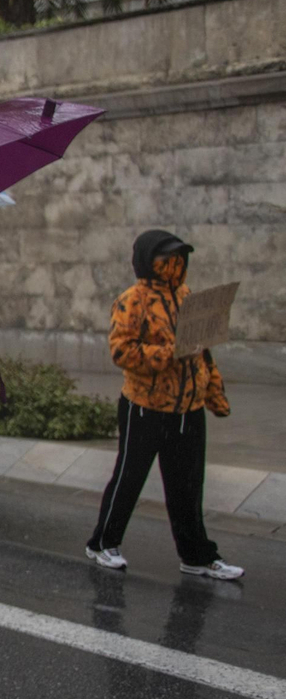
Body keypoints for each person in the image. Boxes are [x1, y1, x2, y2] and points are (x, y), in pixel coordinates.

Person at [86, 230, 244, 581]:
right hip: (144, 407)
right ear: (147, 261)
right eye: (165, 259)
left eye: (179, 258)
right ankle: (102, 543)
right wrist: (168, 353)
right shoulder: (132, 300)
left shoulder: (188, 296)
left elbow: (202, 350)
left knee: (188, 486)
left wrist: (213, 392)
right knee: (129, 479)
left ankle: (197, 556)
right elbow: (121, 351)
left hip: (188, 408)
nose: (173, 265)